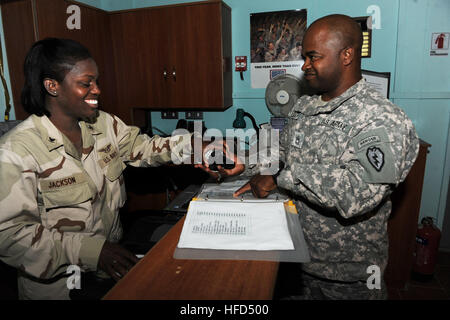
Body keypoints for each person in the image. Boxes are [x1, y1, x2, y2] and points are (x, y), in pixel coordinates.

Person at [0, 38, 238, 300]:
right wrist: (93, 251)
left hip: (108, 269)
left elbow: (144, 148)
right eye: (86, 83)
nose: (97, 90)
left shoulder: (102, 123)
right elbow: (10, 236)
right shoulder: (15, 150)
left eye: (97, 81)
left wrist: (198, 145)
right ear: (52, 86)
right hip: (57, 286)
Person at [233, 14, 419, 299]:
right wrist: (239, 163)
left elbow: (355, 194)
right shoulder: (304, 106)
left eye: (313, 57)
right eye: (304, 57)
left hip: (348, 278)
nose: (305, 66)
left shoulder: (381, 118)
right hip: (295, 260)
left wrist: (280, 177)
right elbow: (280, 153)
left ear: (346, 55)